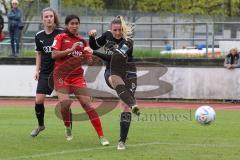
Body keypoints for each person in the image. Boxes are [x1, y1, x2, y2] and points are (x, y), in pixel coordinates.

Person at [51, 14, 109, 146]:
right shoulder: (60, 37)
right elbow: (54, 54)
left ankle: (101, 136)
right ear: (67, 25)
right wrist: (70, 50)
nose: (74, 26)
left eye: (77, 23)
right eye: (72, 23)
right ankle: (67, 127)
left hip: (77, 77)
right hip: (61, 76)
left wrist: (91, 58)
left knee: (87, 105)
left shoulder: (83, 41)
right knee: (65, 104)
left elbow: (89, 61)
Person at [88, 15, 140, 150]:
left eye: (120, 30)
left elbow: (113, 57)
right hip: (112, 70)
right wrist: (92, 37)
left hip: (129, 73)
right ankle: (133, 103)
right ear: (110, 30)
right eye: (115, 30)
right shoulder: (107, 35)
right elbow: (93, 44)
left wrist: (94, 52)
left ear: (123, 29)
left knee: (124, 106)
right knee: (112, 79)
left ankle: (122, 141)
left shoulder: (128, 42)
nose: (117, 33)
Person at [30, 8, 63, 137]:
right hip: (44, 72)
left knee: (64, 102)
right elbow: (39, 53)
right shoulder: (39, 35)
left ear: (54, 18)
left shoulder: (61, 33)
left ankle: (68, 129)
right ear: (42, 19)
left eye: (51, 16)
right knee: (38, 100)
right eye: (46, 17)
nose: (49, 18)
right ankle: (40, 125)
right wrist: (36, 70)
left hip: (60, 72)